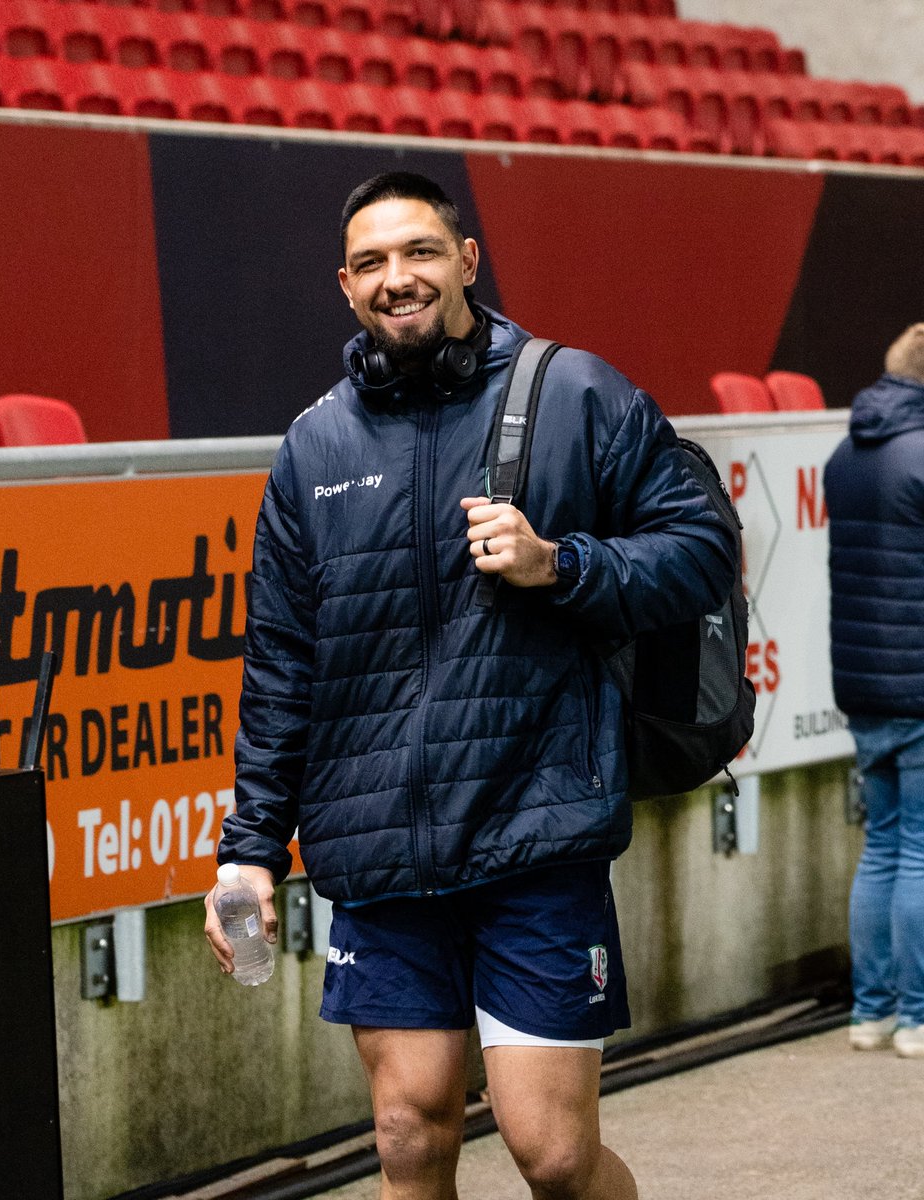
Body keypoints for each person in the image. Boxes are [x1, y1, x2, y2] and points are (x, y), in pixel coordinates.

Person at [205, 171, 737, 1199]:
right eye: (370, 264)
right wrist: (251, 851)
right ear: (346, 286)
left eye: (418, 253)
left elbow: (704, 549)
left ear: (467, 261)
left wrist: (562, 565)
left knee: (554, 1151)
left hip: (533, 834)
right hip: (378, 852)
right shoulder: (314, 447)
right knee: (408, 1134)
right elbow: (280, 664)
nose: (395, 279)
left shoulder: (575, 392)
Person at [825, 321, 924, 1060]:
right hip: (919, 684)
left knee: (882, 845)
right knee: (920, 851)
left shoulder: (842, 454)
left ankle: (870, 1013)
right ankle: (919, 1019)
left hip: (863, 682)